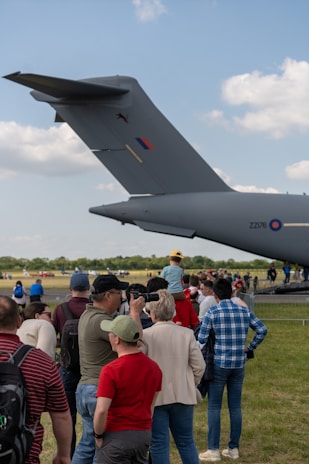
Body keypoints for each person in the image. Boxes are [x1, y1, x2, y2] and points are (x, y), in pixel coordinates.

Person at [72, 274, 144, 464]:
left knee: (88, 444)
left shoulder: (88, 315)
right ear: (107, 295)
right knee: (104, 449)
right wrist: (135, 313)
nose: (121, 297)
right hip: (100, 391)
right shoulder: (100, 321)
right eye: (118, 293)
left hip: (86, 388)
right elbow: (135, 340)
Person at [198, 279, 268, 462]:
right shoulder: (244, 310)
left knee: (214, 406)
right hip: (239, 363)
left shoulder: (213, 311)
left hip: (219, 363)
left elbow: (202, 339)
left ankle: (213, 450)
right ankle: (233, 449)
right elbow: (262, 329)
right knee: (235, 407)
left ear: (215, 295)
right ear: (232, 293)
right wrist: (250, 347)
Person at [0, 295, 72, 464]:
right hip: (22, 455)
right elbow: (61, 415)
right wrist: (63, 455)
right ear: (19, 322)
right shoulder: (41, 362)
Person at [142, 289, 205, 464]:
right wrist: (190, 383)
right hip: (183, 396)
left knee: (159, 445)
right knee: (186, 442)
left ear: (151, 313)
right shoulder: (186, 334)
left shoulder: (146, 336)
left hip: (156, 399)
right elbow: (199, 366)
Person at [93, 315, 162, 463]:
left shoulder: (110, 370)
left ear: (117, 339)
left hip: (115, 435)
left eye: (110, 333)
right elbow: (151, 407)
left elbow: (101, 410)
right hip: (143, 434)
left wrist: (98, 435)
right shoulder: (154, 368)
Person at [52, 272, 90, 458]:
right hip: (91, 370)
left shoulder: (61, 309)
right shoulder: (94, 309)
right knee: (91, 419)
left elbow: (55, 336)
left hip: (67, 369)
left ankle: (71, 455)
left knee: (68, 418)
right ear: (89, 288)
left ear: (70, 289)